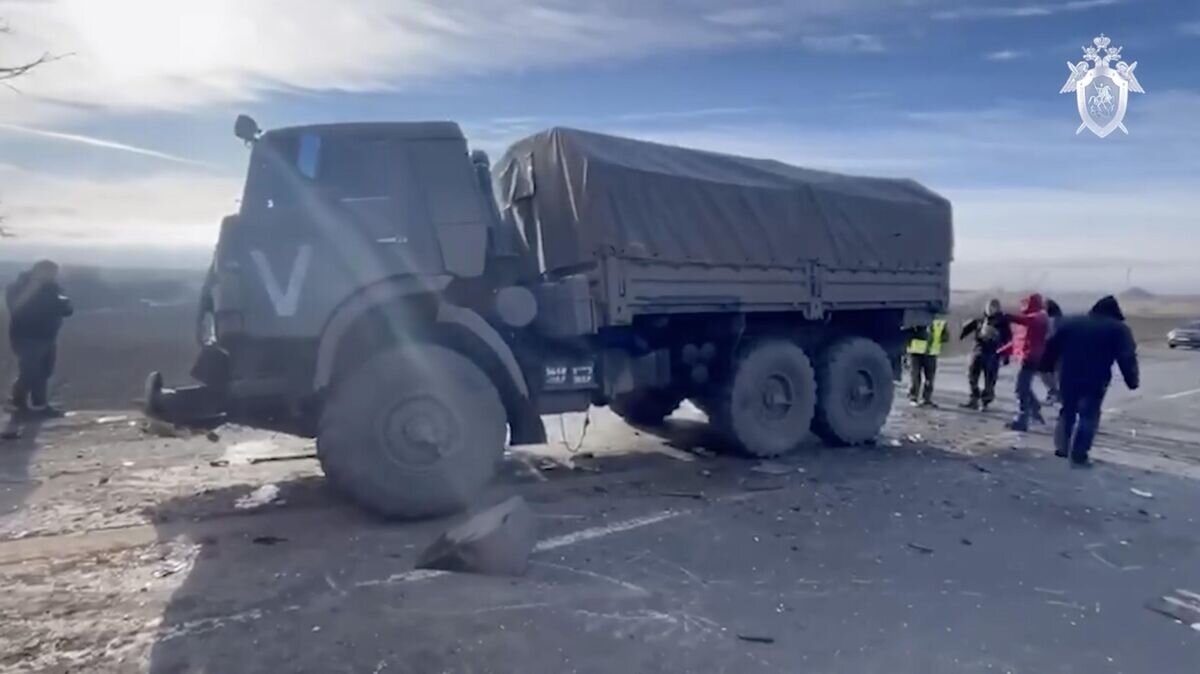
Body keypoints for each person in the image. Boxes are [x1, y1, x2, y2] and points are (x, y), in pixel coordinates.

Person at [1041, 295, 1139, 467]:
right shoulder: (1118, 329)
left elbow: (1052, 346)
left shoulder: (1072, 322)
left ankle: (1062, 448)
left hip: (1067, 374)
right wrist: (1132, 380)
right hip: (1096, 377)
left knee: (1067, 410)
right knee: (1089, 415)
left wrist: (1045, 366)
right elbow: (1127, 356)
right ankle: (1079, 454)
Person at [5, 260, 73, 418]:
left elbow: (65, 310)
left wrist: (64, 306)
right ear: (38, 271)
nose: (52, 276)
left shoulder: (52, 288)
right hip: (27, 336)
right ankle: (39, 405)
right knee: (33, 372)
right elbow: (16, 307)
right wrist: (35, 291)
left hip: (48, 335)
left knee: (43, 371)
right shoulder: (19, 287)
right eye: (49, 272)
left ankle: (18, 401)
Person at [999, 293, 1049, 431]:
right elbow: (1017, 341)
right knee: (1024, 387)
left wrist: (1009, 317)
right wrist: (1001, 352)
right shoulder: (1026, 321)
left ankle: (1022, 420)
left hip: (1030, 358)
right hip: (1024, 357)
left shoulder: (1039, 317)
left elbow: (1030, 322)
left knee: (1021, 389)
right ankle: (1034, 410)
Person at [959, 298, 1012, 410]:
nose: (989, 310)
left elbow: (1008, 340)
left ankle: (985, 402)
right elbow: (967, 328)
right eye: (988, 307)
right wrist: (963, 332)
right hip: (977, 352)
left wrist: (1006, 355)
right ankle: (973, 399)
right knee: (972, 376)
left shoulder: (1002, 323)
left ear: (997, 309)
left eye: (992, 307)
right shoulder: (980, 320)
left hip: (993, 354)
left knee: (990, 380)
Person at [906, 316, 948, 407]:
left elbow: (945, 337)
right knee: (924, 377)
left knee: (917, 376)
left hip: (922, 352)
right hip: (920, 352)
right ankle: (922, 398)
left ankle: (919, 398)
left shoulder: (918, 318)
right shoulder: (940, 322)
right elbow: (945, 338)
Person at [1040, 299, 1064, 405]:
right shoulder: (1060, 319)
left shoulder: (1051, 320)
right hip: (1059, 350)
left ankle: (1054, 393)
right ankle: (1056, 394)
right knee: (1055, 373)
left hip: (1049, 350)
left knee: (1044, 372)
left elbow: (1049, 336)